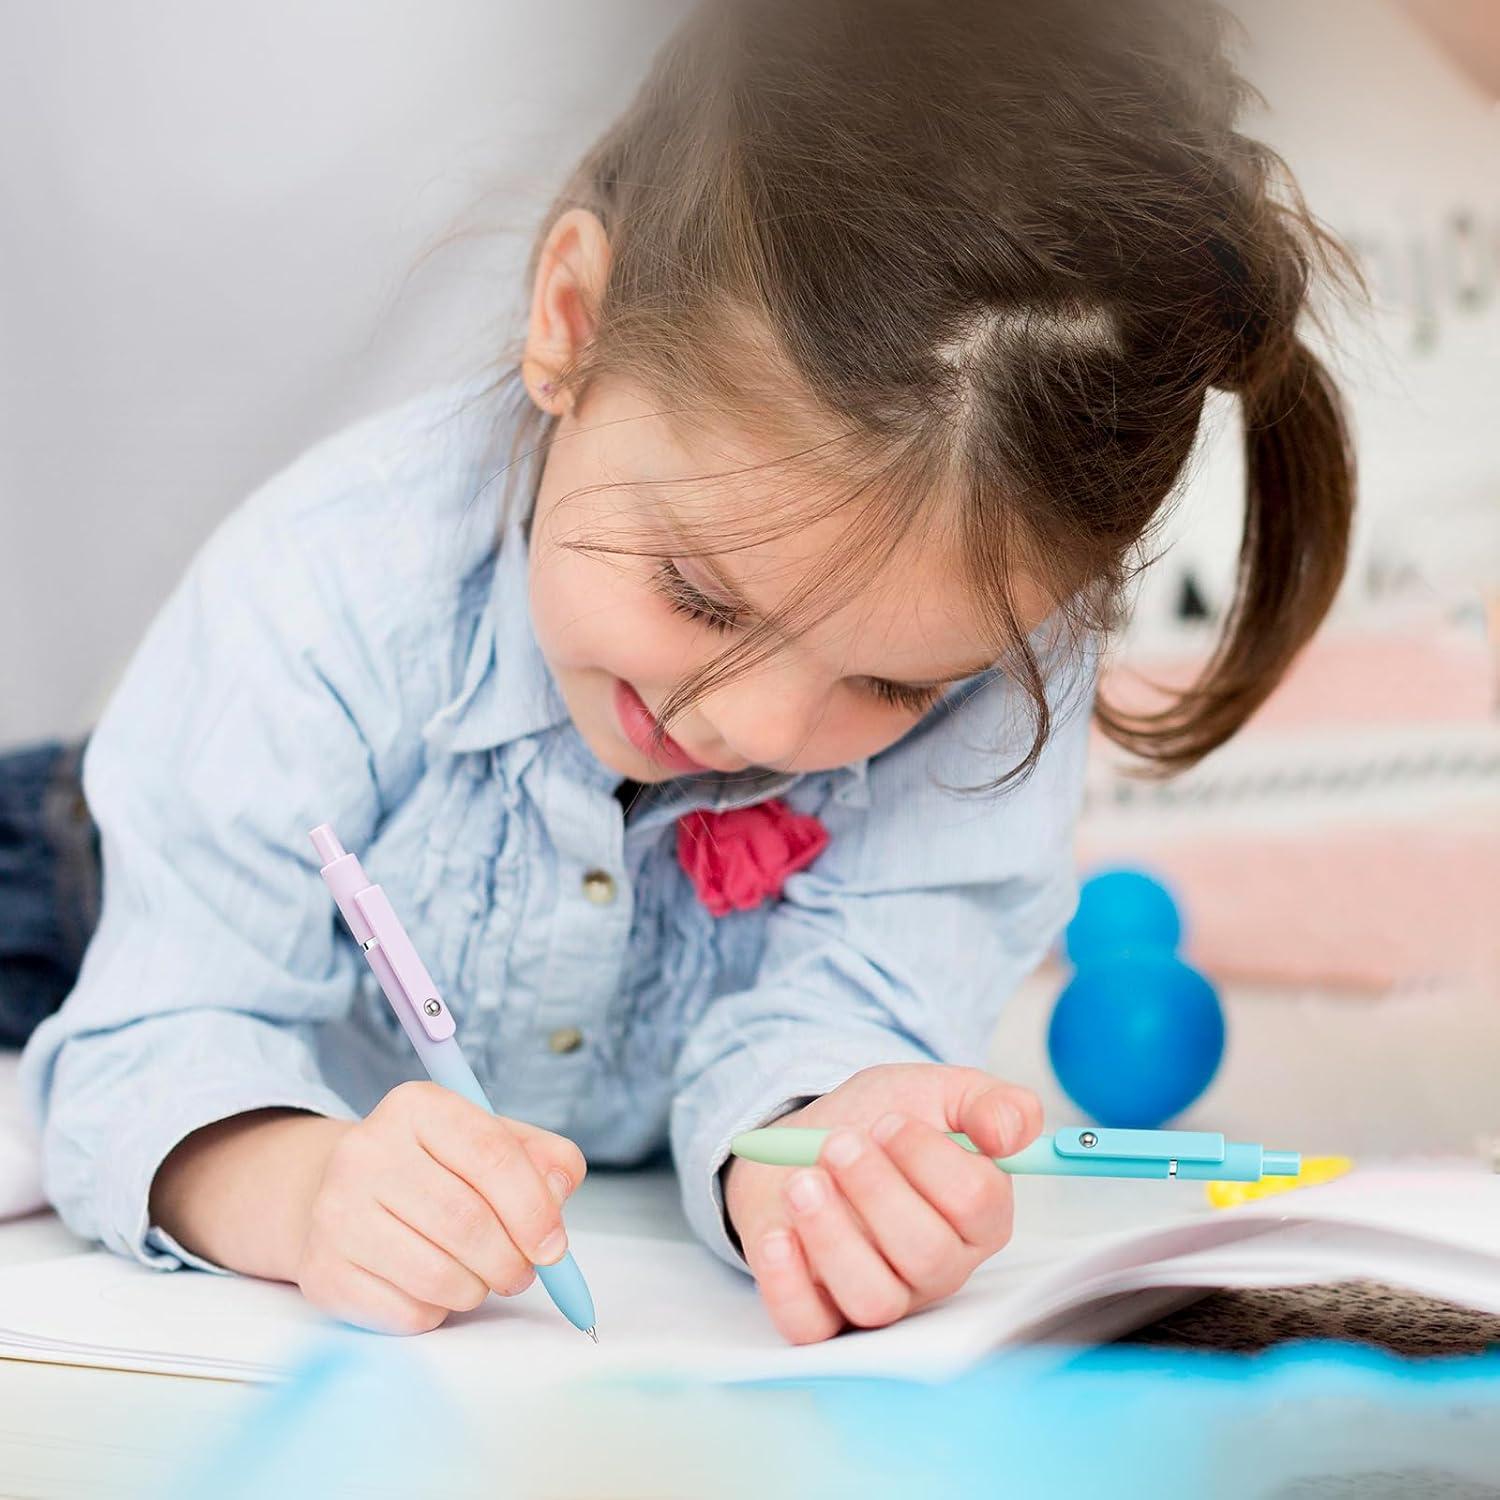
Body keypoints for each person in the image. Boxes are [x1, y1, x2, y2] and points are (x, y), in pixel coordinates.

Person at [10, 0, 1356, 1344]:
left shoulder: (994, 666)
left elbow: (842, 1008)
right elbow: (151, 1036)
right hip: (76, 890)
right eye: (700, 595)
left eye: (893, 691)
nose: (756, 725)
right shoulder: (321, 601)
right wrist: (306, 1190)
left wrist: (831, 1151)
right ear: (571, 320)